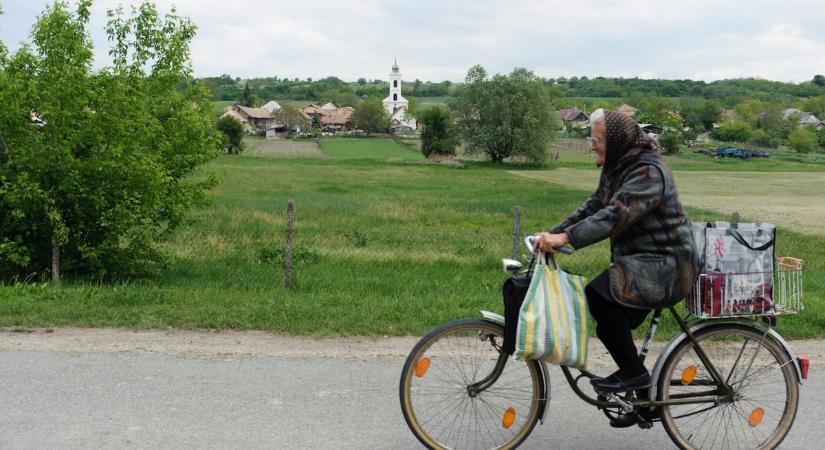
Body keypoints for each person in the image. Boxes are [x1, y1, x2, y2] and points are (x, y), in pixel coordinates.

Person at [533, 109, 698, 424]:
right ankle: (644, 403)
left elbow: (615, 215)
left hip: (668, 266)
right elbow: (595, 205)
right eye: (591, 139)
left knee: (598, 296)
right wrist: (552, 235)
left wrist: (566, 237)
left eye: (597, 140)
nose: (591, 146)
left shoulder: (649, 172)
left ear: (618, 140)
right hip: (641, 263)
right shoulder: (617, 165)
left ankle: (635, 376)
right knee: (607, 317)